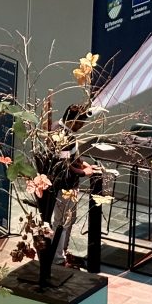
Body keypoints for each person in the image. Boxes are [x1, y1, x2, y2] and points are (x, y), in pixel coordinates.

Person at [49, 103, 94, 268]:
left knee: (69, 219)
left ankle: (62, 252)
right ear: (71, 120)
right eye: (79, 123)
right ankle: (57, 258)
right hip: (63, 185)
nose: (81, 127)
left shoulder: (64, 130)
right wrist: (83, 172)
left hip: (70, 185)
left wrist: (83, 164)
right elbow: (64, 165)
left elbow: (71, 157)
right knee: (61, 221)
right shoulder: (60, 135)